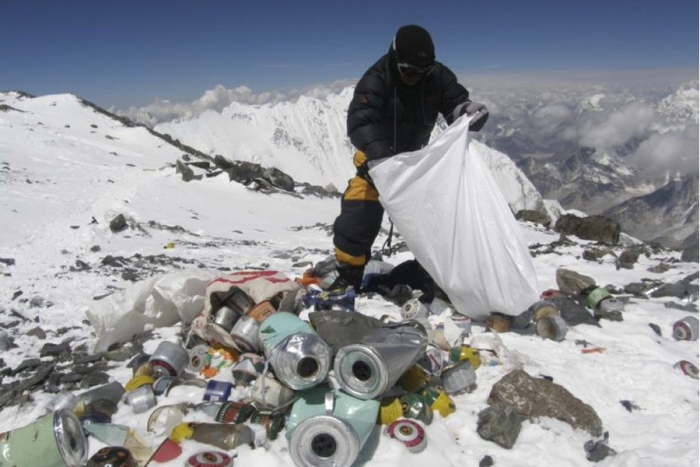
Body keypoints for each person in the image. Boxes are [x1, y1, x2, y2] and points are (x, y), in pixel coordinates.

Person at [327, 24, 489, 291]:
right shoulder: (376, 79)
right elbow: (361, 122)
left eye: (422, 71)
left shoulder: (437, 77)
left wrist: (467, 112)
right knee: (358, 216)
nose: (414, 76)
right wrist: (380, 160)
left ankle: (439, 275)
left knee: (440, 219)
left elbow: (454, 102)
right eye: (408, 70)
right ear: (394, 58)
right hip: (375, 165)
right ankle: (349, 275)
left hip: (416, 165)